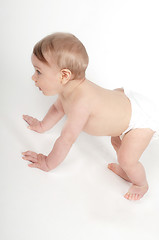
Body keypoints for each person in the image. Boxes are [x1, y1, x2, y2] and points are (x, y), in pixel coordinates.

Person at [22, 32, 159, 201]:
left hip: (140, 120)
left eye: (38, 72)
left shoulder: (81, 103)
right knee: (116, 140)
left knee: (126, 158)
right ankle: (126, 170)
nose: (33, 78)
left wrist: (47, 162)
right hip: (124, 104)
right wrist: (42, 125)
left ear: (64, 76)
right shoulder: (68, 91)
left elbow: (66, 139)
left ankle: (140, 184)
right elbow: (58, 108)